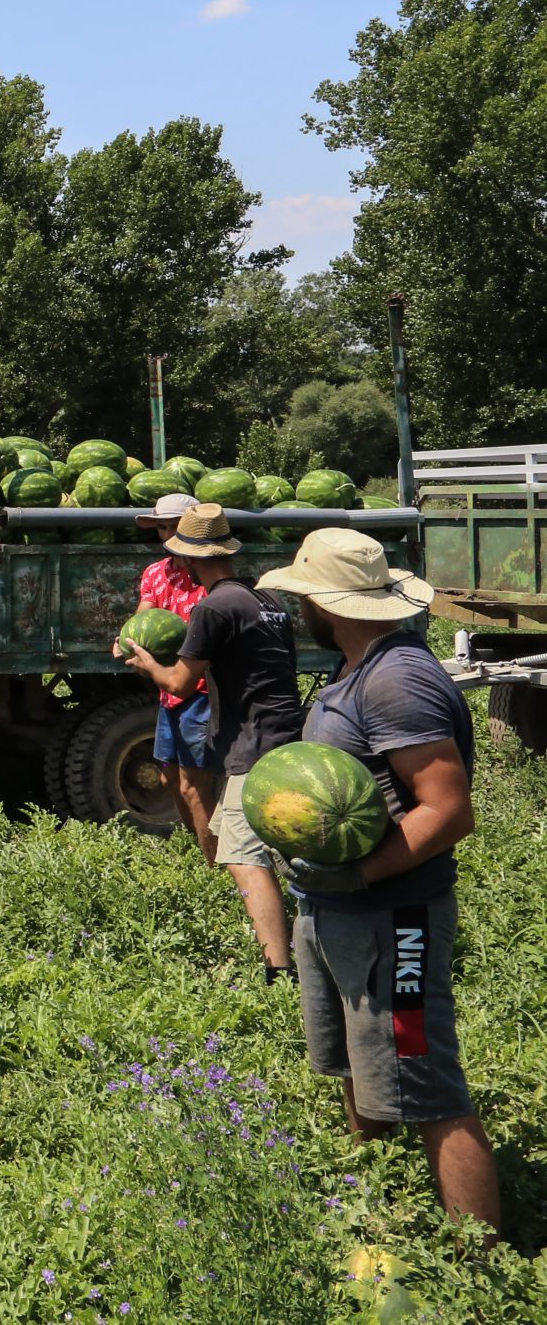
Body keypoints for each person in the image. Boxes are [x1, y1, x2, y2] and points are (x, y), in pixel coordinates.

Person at [255, 528, 502, 1233]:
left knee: (429, 1091)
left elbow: (448, 810)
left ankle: (480, 1279)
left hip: (395, 918)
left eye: (305, 595)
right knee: (359, 1073)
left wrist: (361, 873)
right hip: (336, 910)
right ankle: (382, 1218)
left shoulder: (396, 679)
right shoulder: (357, 664)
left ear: (328, 604)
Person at [117, 502, 300, 984]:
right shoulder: (265, 601)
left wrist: (145, 663)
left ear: (195, 559)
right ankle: (316, 938)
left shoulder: (212, 606)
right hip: (286, 731)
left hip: (252, 742)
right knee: (282, 847)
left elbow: (177, 683)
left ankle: (279, 970)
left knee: (243, 856)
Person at [134, 492, 218, 852]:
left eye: (173, 526)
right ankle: (201, 848)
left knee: (194, 784)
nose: (166, 534)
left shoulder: (209, 575)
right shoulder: (156, 573)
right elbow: (143, 616)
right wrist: (128, 641)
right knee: (170, 779)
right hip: (169, 690)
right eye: (161, 527)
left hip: (201, 690)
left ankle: (217, 866)